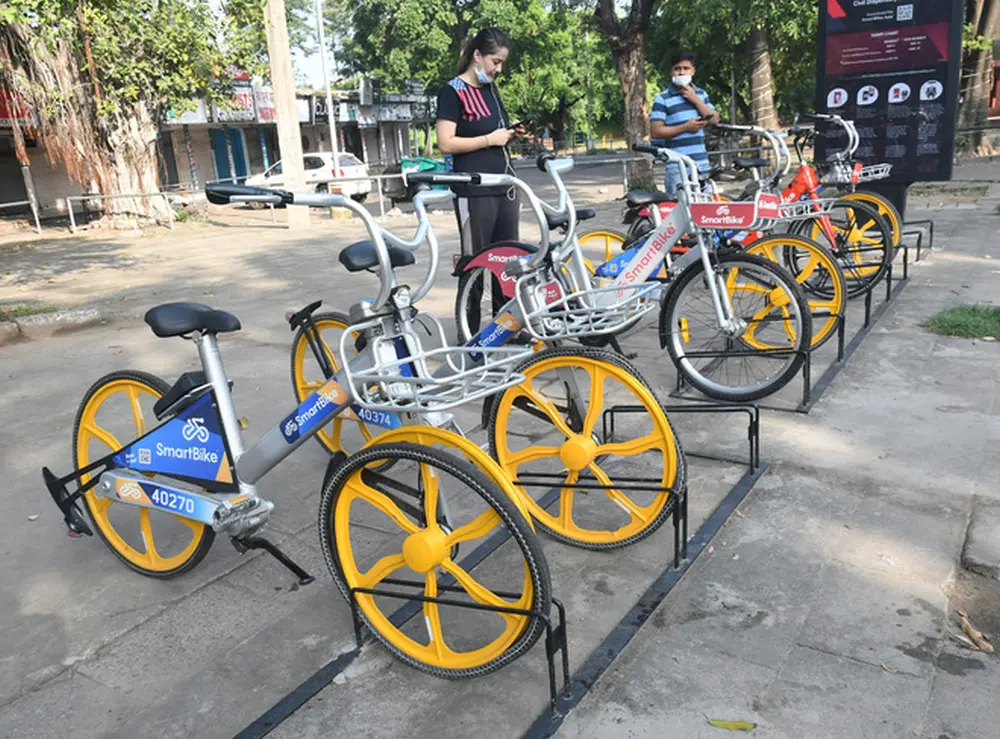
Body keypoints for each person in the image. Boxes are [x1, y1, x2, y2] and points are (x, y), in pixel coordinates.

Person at [436, 27, 525, 256]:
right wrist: (488, 140)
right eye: (495, 62)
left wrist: (511, 135)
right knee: (475, 262)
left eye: (501, 63)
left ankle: (503, 295)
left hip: (505, 187)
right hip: (474, 190)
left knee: (507, 262)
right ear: (477, 55)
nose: (498, 69)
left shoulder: (491, 90)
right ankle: (472, 294)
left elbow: (496, 135)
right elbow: (445, 143)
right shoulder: (452, 91)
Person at [650, 51, 719, 196]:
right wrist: (685, 128)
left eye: (686, 68)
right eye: (677, 68)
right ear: (672, 71)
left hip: (701, 165)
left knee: (705, 212)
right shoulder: (662, 98)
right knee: (680, 212)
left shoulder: (701, 94)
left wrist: (695, 99)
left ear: (693, 70)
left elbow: (714, 119)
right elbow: (656, 132)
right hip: (677, 167)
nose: (681, 72)